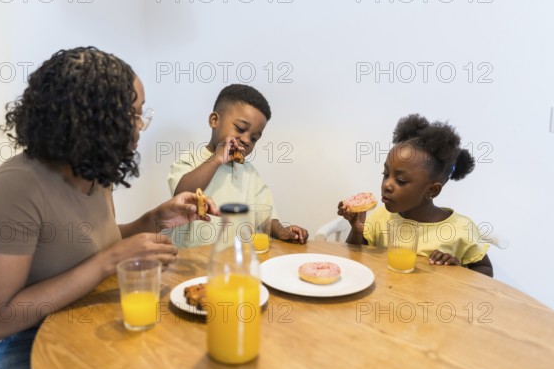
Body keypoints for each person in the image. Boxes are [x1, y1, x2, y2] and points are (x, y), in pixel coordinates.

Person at [0, 47, 219, 369]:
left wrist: (156, 220)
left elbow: (91, 243)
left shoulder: (94, 171)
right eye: (134, 114)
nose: (142, 125)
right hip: (11, 344)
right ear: (92, 117)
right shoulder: (16, 187)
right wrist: (110, 261)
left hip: (76, 319)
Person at [338, 114, 493, 276]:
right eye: (385, 174)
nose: (387, 185)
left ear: (431, 190)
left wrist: (458, 269)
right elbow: (355, 258)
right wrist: (357, 231)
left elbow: (485, 271)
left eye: (400, 180)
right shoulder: (381, 217)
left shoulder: (461, 229)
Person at [168, 84, 308, 248]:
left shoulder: (250, 173)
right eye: (240, 128)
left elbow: (265, 218)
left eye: (254, 138)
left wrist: (281, 231)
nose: (247, 140)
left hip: (237, 259)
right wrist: (216, 159)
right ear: (214, 120)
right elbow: (181, 195)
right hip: (192, 261)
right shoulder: (191, 159)